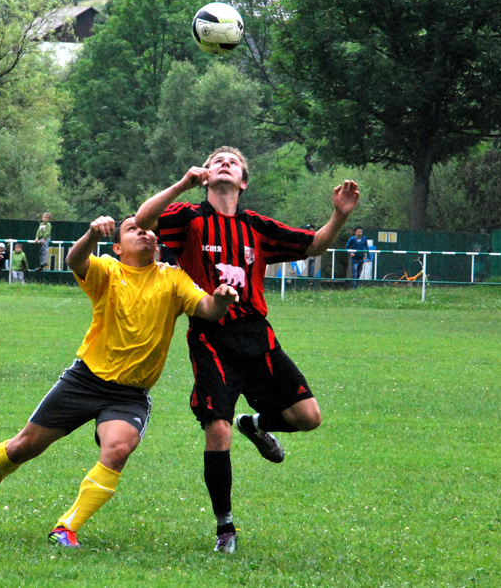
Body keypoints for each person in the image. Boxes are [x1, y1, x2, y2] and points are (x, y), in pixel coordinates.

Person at [0, 215, 239, 547]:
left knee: (119, 447)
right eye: (134, 229)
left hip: (130, 394)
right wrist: (92, 234)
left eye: (149, 230)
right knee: (23, 446)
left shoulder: (173, 278)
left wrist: (221, 299)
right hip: (85, 380)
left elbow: (208, 308)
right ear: (118, 247)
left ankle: (66, 527)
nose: (145, 233)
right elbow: (75, 260)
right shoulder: (108, 270)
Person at [135, 146, 360, 553]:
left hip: (257, 335)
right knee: (216, 430)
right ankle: (226, 529)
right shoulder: (187, 219)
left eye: (232, 161)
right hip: (210, 336)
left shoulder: (256, 226)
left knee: (308, 418)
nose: (223, 163)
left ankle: (254, 425)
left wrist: (340, 215)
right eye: (215, 160)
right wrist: (184, 184)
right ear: (206, 175)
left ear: (242, 181)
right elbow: (142, 220)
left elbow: (314, 246)